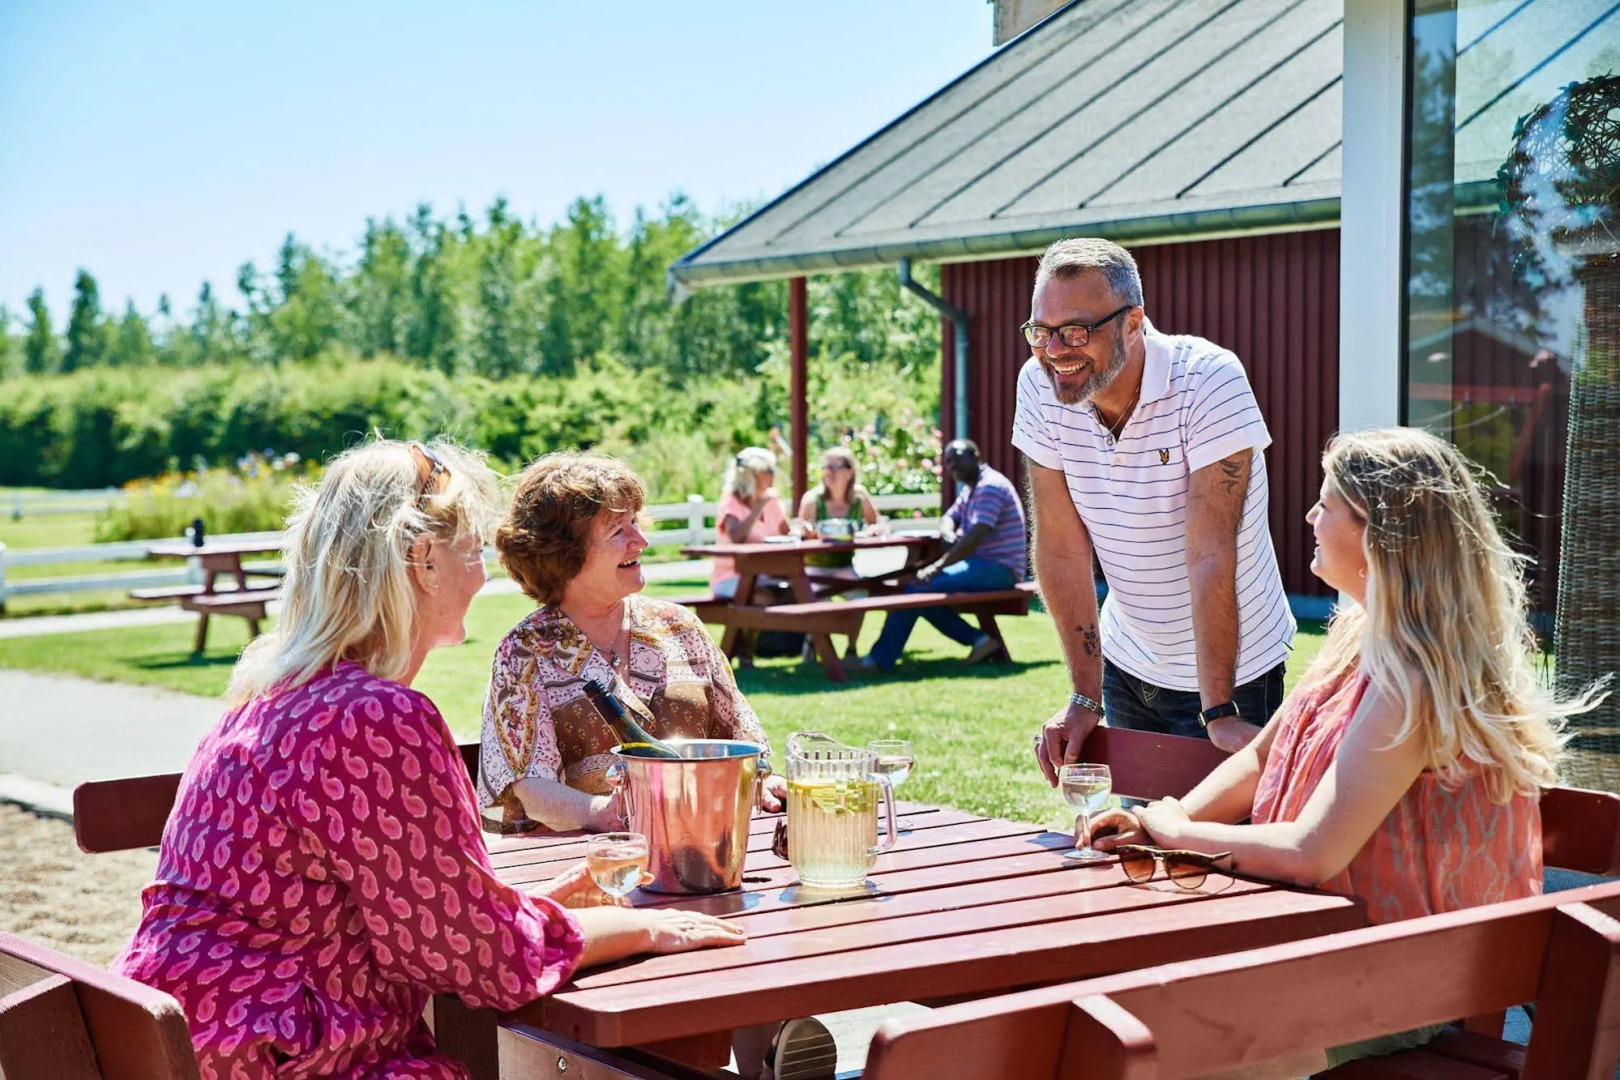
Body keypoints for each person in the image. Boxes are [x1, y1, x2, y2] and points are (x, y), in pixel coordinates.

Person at [112, 439, 744, 1080]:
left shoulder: (269, 698)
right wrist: (648, 930)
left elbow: (427, 922)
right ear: (423, 561)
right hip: (284, 1058)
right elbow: (484, 960)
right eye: (472, 550)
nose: (483, 575)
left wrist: (535, 906)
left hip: (192, 1046)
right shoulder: (375, 719)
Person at [1082, 428, 1597, 1075]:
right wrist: (1164, 817)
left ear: (1381, 535)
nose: (1309, 517)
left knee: (1158, 1053)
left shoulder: (1414, 681)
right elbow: (1261, 759)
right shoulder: (1359, 636)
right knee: (1109, 1013)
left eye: (1326, 504)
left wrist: (1178, 835)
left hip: (1395, 983)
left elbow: (1312, 853)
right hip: (1323, 948)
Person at [1019, 238, 1295, 780]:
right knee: (1136, 831)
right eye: (1041, 332)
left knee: (1216, 835)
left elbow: (1210, 551)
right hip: (1127, 663)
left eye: (1075, 331)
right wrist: (1086, 695)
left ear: (1132, 323)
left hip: (1235, 675)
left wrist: (1218, 711)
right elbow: (1059, 548)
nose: (1054, 351)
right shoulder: (1040, 385)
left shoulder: (1209, 380)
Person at [479, 451, 789, 832]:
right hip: (586, 859)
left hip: (701, 849)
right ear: (562, 555)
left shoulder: (681, 628)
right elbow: (531, 787)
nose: (641, 541)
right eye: (618, 531)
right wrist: (603, 814)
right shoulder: (524, 652)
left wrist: (761, 780)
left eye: (635, 523)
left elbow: (743, 738)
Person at [861, 439, 1027, 672]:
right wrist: (947, 530)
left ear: (976, 457)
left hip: (999, 569)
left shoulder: (990, 487)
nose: (952, 466)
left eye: (958, 459)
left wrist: (938, 566)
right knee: (918, 589)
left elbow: (973, 538)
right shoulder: (971, 489)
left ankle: (879, 661)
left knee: (918, 587)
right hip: (983, 565)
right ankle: (980, 641)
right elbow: (949, 517)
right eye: (948, 461)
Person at [710, 446, 790, 600]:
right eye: (770, 471)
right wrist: (758, 508)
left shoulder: (772, 502)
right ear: (754, 475)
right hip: (731, 577)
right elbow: (736, 537)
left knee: (794, 593)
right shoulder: (732, 501)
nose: (774, 476)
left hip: (765, 575)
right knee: (764, 597)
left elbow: (787, 534)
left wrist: (802, 530)